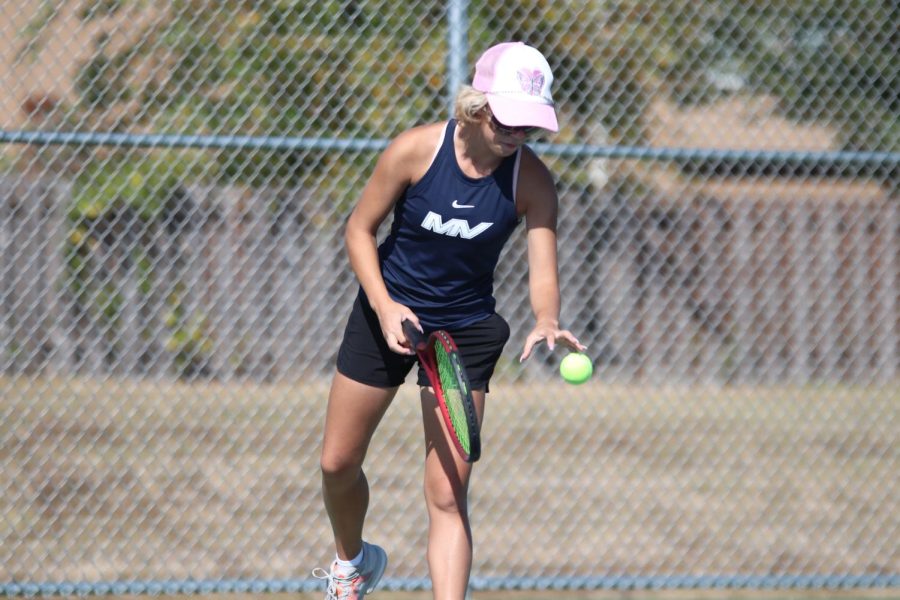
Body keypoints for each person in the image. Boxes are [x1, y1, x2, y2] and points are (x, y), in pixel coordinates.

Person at [315, 41, 585, 600]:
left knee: (447, 494)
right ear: (477, 105)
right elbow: (358, 230)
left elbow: (543, 268)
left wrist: (546, 317)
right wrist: (386, 306)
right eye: (508, 121)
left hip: (462, 335)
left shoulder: (530, 181)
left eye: (529, 127)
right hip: (388, 315)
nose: (517, 136)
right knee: (337, 463)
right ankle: (353, 562)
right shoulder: (414, 151)